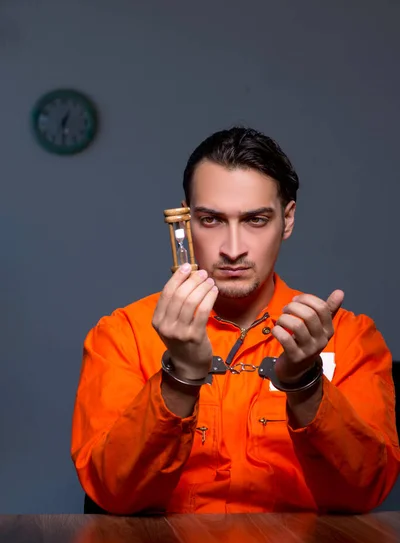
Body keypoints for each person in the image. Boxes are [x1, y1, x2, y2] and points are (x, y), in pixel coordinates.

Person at [71, 127, 400, 515]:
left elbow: (365, 492)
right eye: (211, 220)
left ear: (288, 219)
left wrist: (305, 384)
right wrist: (180, 376)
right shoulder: (123, 334)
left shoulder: (349, 336)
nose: (232, 249)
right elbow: (113, 493)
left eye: (255, 220)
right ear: (187, 222)